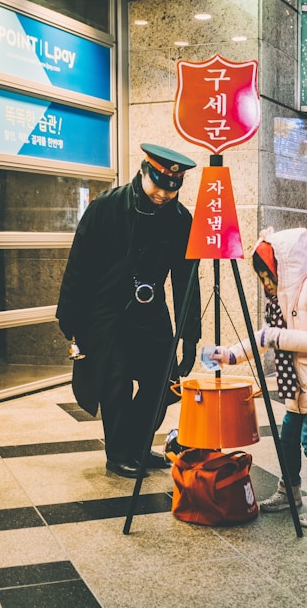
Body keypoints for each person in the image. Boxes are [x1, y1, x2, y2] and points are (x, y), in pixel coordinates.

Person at [56, 143, 202, 478]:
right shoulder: (106, 206)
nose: (165, 195)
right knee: (115, 384)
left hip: (151, 315)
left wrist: (189, 336)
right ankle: (119, 453)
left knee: (163, 383)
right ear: (144, 171)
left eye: (173, 189)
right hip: (107, 313)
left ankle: (136, 444)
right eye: (159, 186)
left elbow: (186, 280)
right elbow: (79, 266)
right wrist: (73, 322)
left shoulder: (181, 219)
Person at [211, 227, 307, 527]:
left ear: (284, 266)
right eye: (261, 277)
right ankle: (290, 492)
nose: (264, 283)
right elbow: (264, 337)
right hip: (298, 386)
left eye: (267, 275)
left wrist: (279, 337)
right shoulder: (280, 297)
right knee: (288, 439)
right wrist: (230, 355)